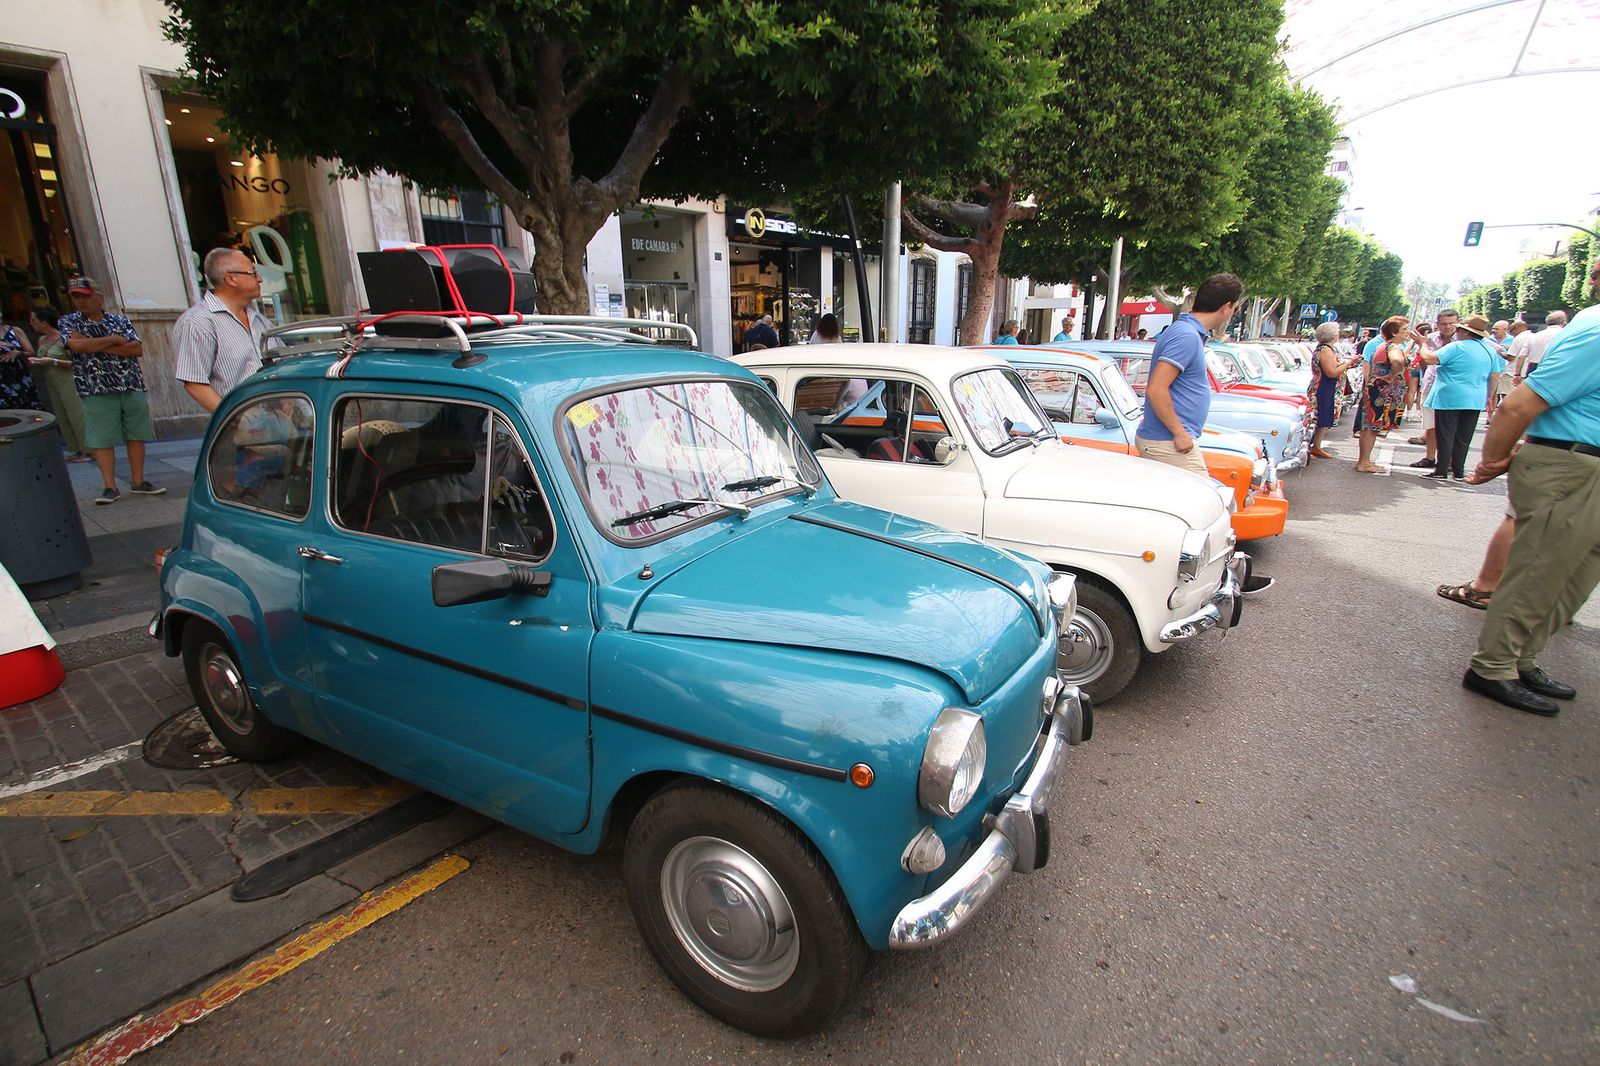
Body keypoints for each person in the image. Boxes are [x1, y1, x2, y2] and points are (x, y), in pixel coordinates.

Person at [1460, 258, 1600, 715]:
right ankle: (1494, 666)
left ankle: (1520, 659)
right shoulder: (1596, 333)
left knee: (1571, 578)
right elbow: (1517, 405)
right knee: (1540, 572)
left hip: (1582, 463)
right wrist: (1493, 462)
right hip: (1570, 461)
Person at [57, 276, 165, 504]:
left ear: (98, 297)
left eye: (85, 296)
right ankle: (109, 486)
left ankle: (138, 481)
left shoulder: (119, 320)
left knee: (137, 433)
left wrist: (94, 344)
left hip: (130, 382)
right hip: (95, 386)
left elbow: (136, 349)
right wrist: (114, 341)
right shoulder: (69, 322)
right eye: (75, 297)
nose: (80, 301)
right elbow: (76, 346)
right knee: (101, 438)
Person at [1135, 273, 1242, 475]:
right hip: (1168, 442)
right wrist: (1179, 433)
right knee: (1204, 501)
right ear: (1226, 306)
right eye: (1234, 309)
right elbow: (1157, 389)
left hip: (1166, 440)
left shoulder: (1187, 332)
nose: (1232, 314)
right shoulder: (1186, 335)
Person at [173, 248, 272, 413]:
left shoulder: (260, 320)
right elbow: (194, 383)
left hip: (280, 420)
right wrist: (235, 418)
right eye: (253, 273)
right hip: (240, 428)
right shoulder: (199, 322)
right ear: (231, 279)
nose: (260, 279)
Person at [1415, 313, 1496, 480]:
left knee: (1446, 433)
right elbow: (1495, 375)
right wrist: (1489, 396)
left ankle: (1441, 470)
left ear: (1466, 332)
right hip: (1475, 397)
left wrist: (1422, 344)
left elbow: (1430, 358)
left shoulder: (1457, 346)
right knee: (1464, 436)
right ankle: (1458, 470)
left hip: (1450, 395)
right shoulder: (1489, 349)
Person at [25, 307, 90, 460]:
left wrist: (53, 361)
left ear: (44, 322)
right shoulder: (41, 339)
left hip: (68, 379)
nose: (31, 323)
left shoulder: (64, 337)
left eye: (33, 320)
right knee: (62, 415)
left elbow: (77, 362)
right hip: (52, 380)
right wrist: (39, 361)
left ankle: (89, 450)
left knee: (77, 415)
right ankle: (75, 448)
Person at [1354, 316, 1413, 472]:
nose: (1408, 332)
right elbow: (1398, 361)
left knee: (1369, 427)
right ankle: (1364, 462)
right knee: (1371, 428)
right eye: (1404, 329)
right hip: (1380, 393)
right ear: (1394, 332)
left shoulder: (1385, 345)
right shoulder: (1392, 347)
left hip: (1376, 390)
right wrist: (1392, 375)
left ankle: (1364, 461)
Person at [1405, 309, 1459, 468]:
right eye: (1444, 324)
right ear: (1438, 324)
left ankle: (1449, 460)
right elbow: (1421, 358)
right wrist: (1426, 374)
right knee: (1430, 423)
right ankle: (1429, 457)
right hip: (1432, 383)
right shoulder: (1430, 339)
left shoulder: (1463, 340)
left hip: (1453, 387)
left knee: (1451, 425)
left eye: (1452, 323)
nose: (1448, 327)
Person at [1306, 321, 1362, 459]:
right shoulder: (1325, 350)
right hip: (1323, 387)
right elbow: (1331, 372)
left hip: (1326, 386)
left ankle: (1316, 446)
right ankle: (1312, 447)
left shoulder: (1326, 349)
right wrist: (1349, 362)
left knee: (1323, 417)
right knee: (1319, 417)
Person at [0, 319, 42, 410]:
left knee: (30, 406)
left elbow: (31, 352)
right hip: (2, 380)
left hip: (19, 374)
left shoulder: (15, 330)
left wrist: (18, 352)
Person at [1519, 309, 1566, 377]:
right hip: (1555, 368)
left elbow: (1521, 356)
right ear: (1564, 323)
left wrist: (1517, 374)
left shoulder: (1534, 336)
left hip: (1533, 368)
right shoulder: (1565, 336)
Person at [1486, 320, 1515, 421]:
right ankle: (1489, 417)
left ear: (1505, 330)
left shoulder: (1512, 340)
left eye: (1497, 329)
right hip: (1489, 369)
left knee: (1505, 395)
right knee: (1492, 395)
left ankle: (1503, 418)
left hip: (1505, 370)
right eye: (1493, 328)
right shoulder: (1488, 339)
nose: (1494, 330)